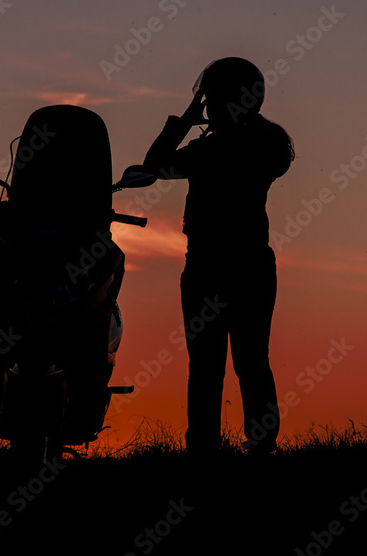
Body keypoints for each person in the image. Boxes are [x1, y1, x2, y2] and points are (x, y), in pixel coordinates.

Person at [143, 57, 295, 456]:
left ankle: (204, 449)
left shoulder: (208, 150)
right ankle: (259, 446)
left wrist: (185, 120)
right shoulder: (268, 142)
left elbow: (154, 165)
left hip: (208, 267)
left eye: (209, 98)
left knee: (207, 366)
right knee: (251, 361)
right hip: (251, 267)